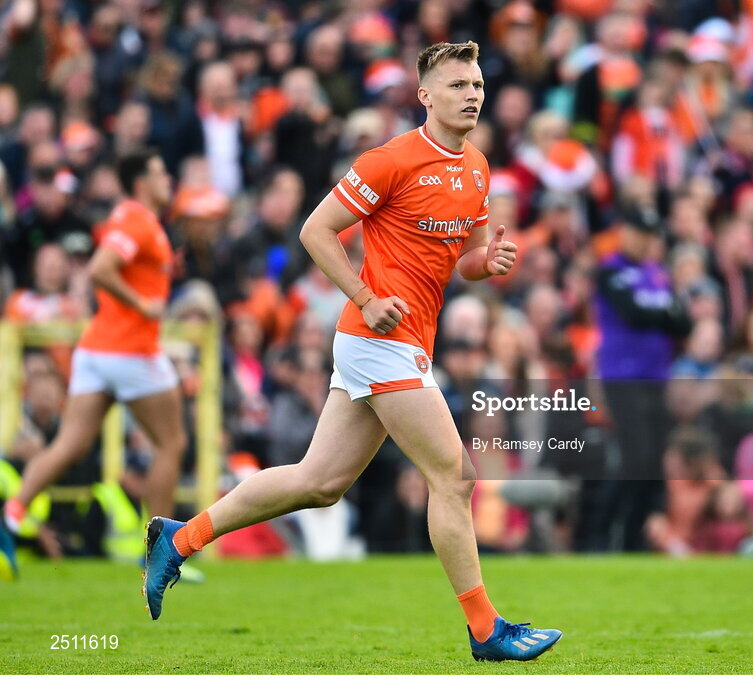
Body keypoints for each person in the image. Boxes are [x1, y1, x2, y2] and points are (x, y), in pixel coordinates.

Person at [141, 41, 562, 662]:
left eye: (475, 85)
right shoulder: (391, 159)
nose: (471, 95)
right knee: (455, 476)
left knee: (319, 483)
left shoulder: (476, 167)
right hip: (378, 337)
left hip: (401, 338)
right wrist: (365, 297)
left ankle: (180, 539)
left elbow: (461, 259)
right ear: (425, 96)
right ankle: (486, 630)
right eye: (456, 86)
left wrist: (486, 264)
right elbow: (315, 230)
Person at [1, 148, 188, 580]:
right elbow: (102, 270)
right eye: (161, 172)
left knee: (70, 445)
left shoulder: (140, 221)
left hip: (96, 349)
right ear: (141, 181)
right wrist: (142, 301)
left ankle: (9, 519)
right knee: (171, 444)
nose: (168, 181)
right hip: (129, 351)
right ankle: (160, 555)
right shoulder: (137, 219)